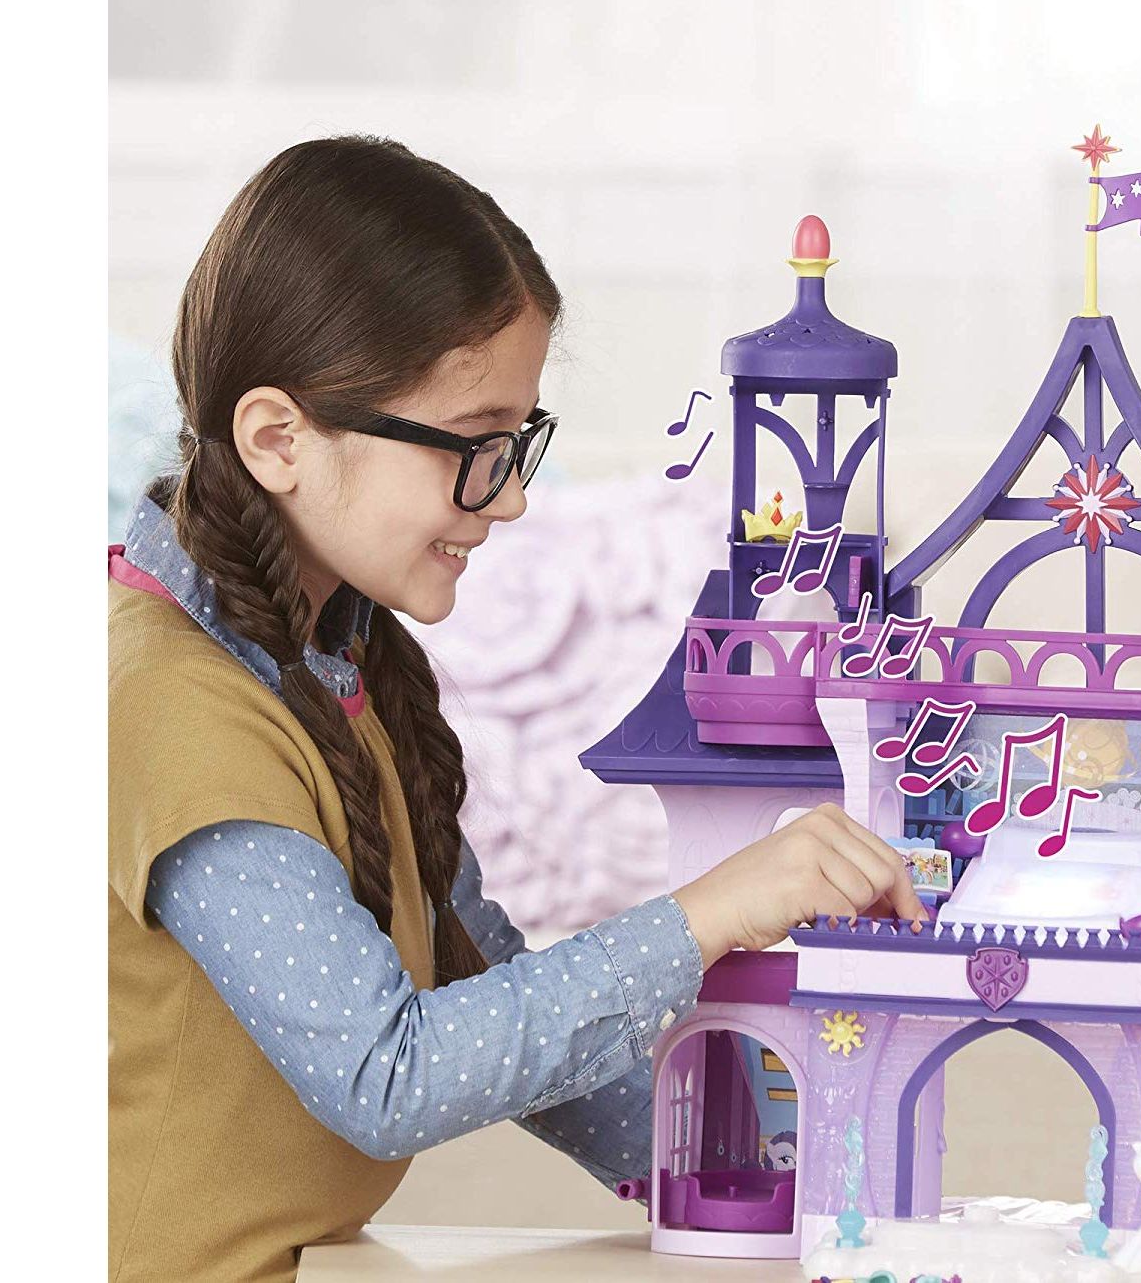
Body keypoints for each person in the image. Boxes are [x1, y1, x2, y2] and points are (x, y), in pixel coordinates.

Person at [109, 135, 926, 1282]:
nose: (510, 500)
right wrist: (705, 914)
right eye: (473, 447)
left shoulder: (338, 662)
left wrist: (743, 1180)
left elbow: (478, 976)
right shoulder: (172, 699)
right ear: (278, 439)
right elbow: (386, 1077)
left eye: (517, 444)